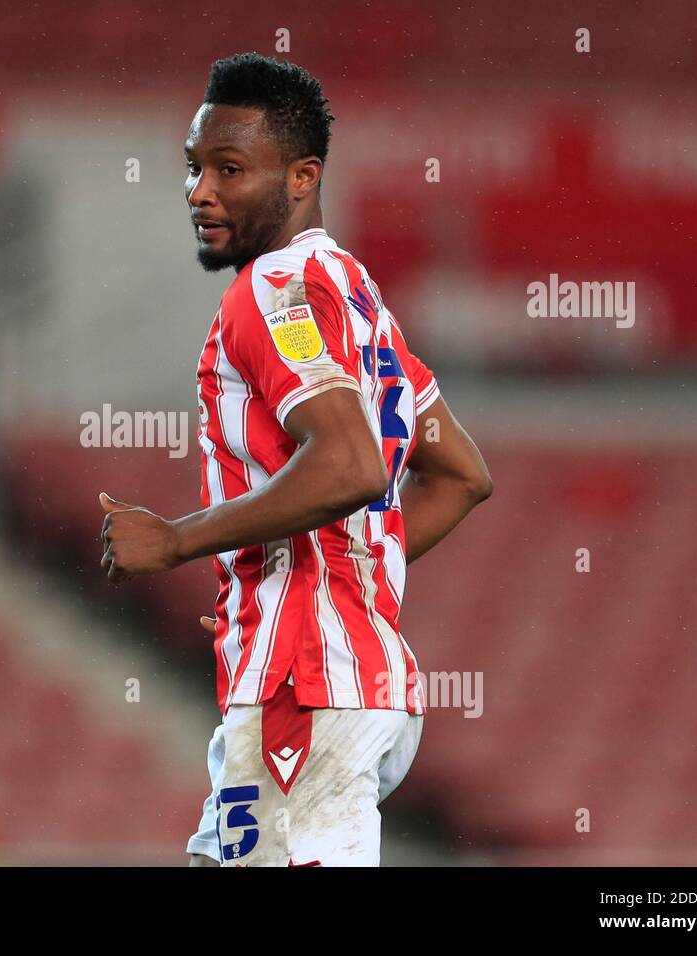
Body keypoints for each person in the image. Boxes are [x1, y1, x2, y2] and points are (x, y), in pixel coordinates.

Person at [98, 52, 492, 866]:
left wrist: (178, 539)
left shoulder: (274, 289)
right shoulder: (358, 299)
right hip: (342, 674)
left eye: (231, 169)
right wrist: (285, 573)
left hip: (307, 685)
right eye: (194, 167)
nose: (200, 191)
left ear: (303, 177)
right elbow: (461, 476)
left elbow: (348, 464)